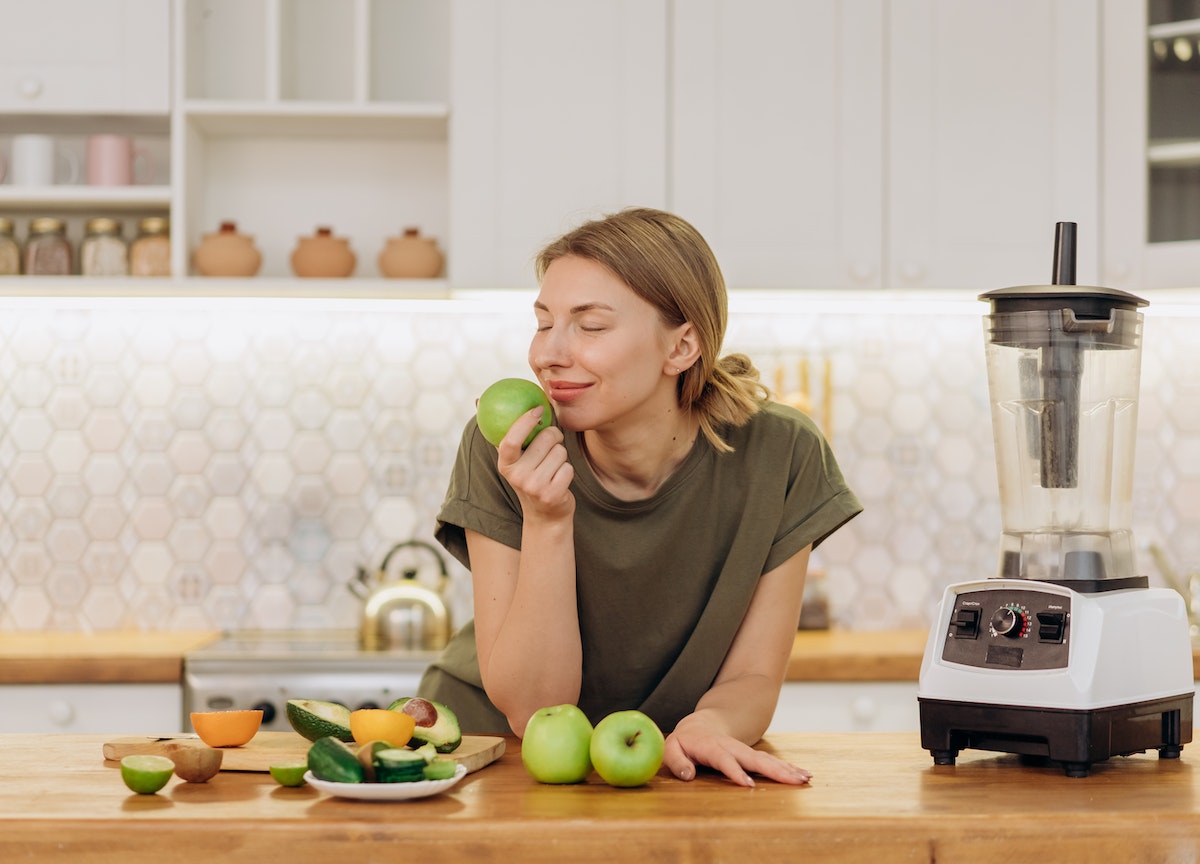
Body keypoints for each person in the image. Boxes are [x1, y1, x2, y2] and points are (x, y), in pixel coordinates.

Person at [419, 207, 862, 787]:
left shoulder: (781, 452)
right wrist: (547, 520)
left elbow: (753, 676)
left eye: (591, 326)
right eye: (543, 322)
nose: (548, 354)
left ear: (681, 348)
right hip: (492, 755)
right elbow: (533, 709)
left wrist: (713, 725)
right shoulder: (508, 445)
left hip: (667, 763)